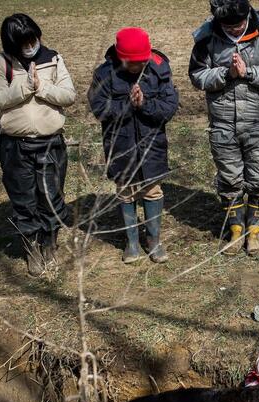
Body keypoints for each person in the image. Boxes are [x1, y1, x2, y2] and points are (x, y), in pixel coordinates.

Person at [189, 0, 259, 256]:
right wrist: (226, 75)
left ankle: (254, 233)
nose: (234, 31)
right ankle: (236, 230)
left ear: (247, 16)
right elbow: (196, 75)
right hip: (222, 124)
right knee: (230, 179)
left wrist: (248, 73)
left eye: (238, 25)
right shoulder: (206, 38)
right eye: (228, 26)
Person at [0, 13, 76, 276]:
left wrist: (42, 88)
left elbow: (69, 95)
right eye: (24, 42)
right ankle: (32, 250)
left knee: (50, 197)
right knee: (24, 201)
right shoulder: (1, 62)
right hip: (15, 146)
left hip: (50, 144)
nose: (30, 45)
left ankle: (49, 245)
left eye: (33, 39)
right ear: (12, 44)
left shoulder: (53, 58)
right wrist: (24, 86)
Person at [88, 28, 179, 264]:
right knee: (125, 192)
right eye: (133, 63)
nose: (138, 66)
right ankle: (131, 243)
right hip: (120, 146)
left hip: (152, 145)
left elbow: (169, 106)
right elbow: (100, 109)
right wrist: (128, 107)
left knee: (152, 190)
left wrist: (145, 104)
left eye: (142, 62)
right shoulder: (104, 74)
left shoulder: (159, 67)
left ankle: (154, 241)